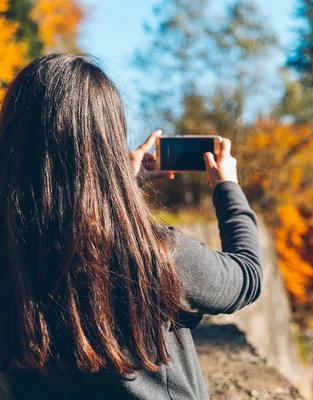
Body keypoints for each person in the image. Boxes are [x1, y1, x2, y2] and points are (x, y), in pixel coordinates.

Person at [0, 54, 262, 399]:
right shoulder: (152, 255)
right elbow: (246, 277)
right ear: (108, 143)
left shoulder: (12, 252)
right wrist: (227, 188)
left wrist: (120, 188)